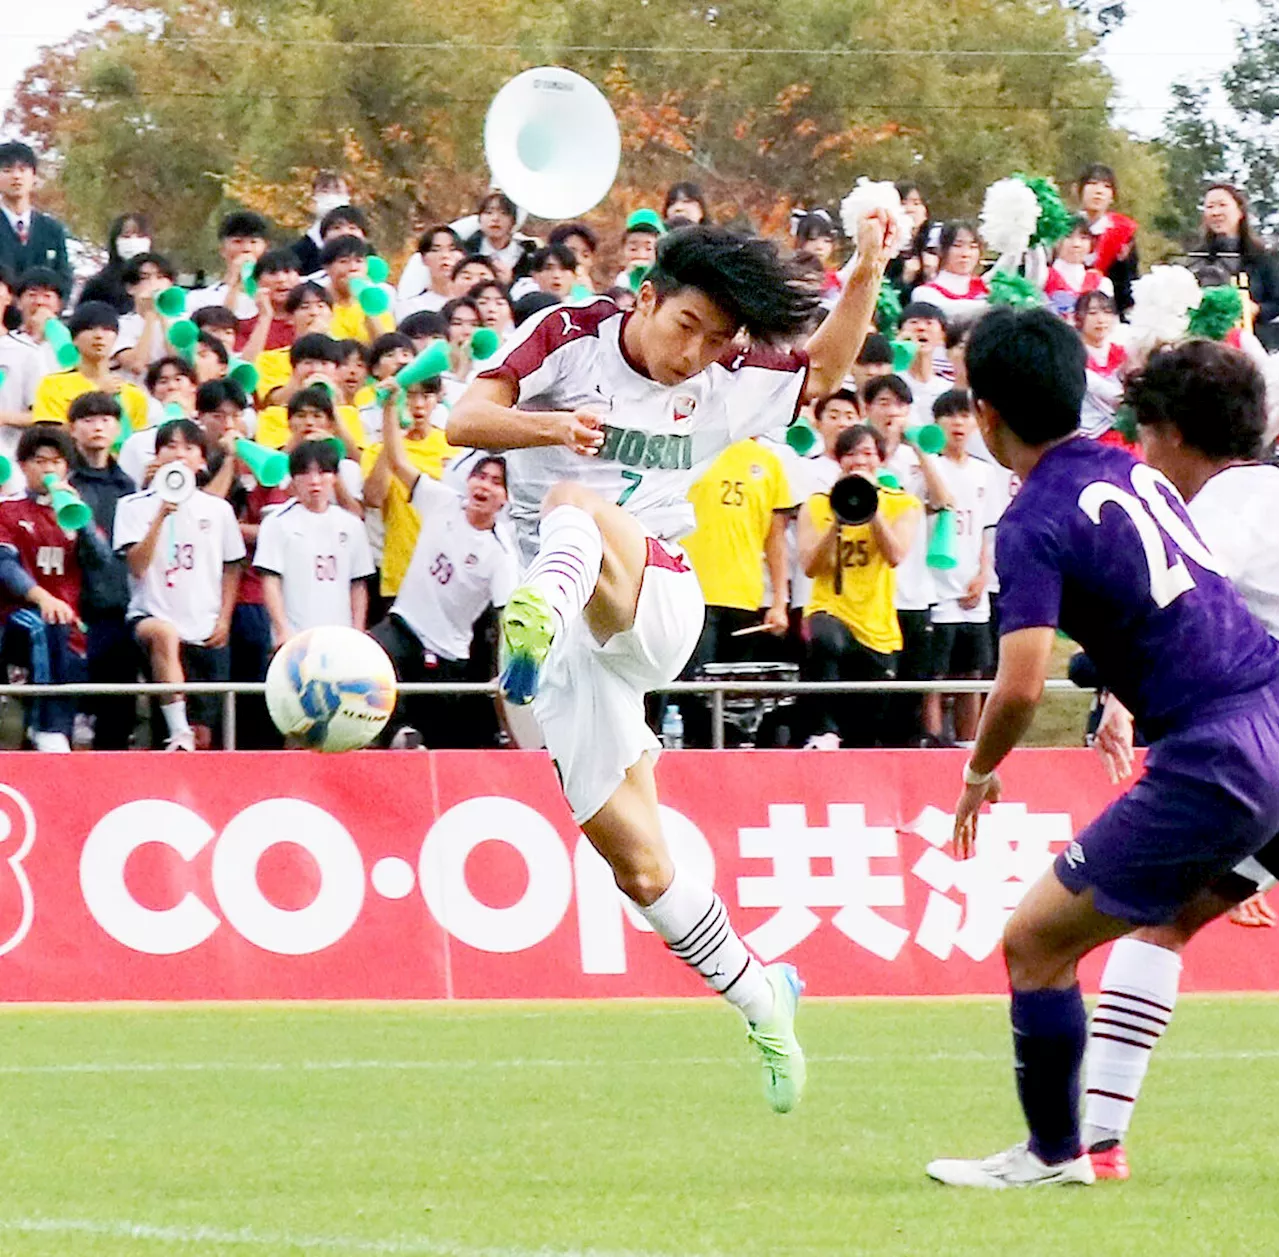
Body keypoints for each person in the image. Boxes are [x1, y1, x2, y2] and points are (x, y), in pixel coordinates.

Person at [448, 211, 896, 1111]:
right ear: (645, 296)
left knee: (577, 504)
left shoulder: (729, 379)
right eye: (688, 326)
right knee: (642, 869)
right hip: (578, 652)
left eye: (719, 339)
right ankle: (762, 996)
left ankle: (535, 611)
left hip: (655, 594)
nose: (698, 352)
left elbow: (828, 367)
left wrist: (868, 267)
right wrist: (550, 428)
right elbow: (464, 420)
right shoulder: (567, 337)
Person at [924, 307, 1280, 1189]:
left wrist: (977, 772)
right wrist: (1111, 661)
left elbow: (1015, 685)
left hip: (1217, 752)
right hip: (1268, 711)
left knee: (1036, 943)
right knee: (1155, 921)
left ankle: (1056, 1152)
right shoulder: (1134, 472)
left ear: (988, 414)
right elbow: (1184, 598)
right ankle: (1092, 1139)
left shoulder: (1035, 516)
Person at [1074, 340, 1280, 1181]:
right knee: (1172, 918)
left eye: (1147, 434)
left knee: (1146, 919)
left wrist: (1119, 696)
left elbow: (1188, 603)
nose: (1142, 454)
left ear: (1181, 436)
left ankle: (1093, 1140)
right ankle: (1099, 1140)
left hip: (1262, 746)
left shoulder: (1231, 502)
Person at [370, 384, 516, 748]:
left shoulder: (500, 554)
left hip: (446, 653)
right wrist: (390, 409)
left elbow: (504, 620)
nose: (484, 486)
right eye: (480, 477)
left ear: (506, 499)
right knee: (367, 662)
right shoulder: (442, 502)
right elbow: (400, 462)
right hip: (402, 627)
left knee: (440, 741)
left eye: (496, 483)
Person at [113, 418, 246, 750]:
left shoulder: (218, 510)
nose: (179, 454)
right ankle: (177, 730)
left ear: (202, 460)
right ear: (156, 456)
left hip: (203, 626)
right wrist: (160, 515)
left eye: (188, 448)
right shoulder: (132, 506)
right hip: (152, 616)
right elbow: (137, 566)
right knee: (164, 634)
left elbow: (232, 566)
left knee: (205, 736)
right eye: (170, 446)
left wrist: (225, 618)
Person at [798, 423, 921, 747]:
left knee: (866, 728)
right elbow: (810, 566)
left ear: (880, 460)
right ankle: (822, 730)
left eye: (867, 453)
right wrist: (838, 518)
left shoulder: (903, 504)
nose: (859, 461)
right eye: (851, 454)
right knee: (824, 640)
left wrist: (871, 508)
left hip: (876, 625)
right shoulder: (817, 505)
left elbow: (895, 555)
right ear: (839, 461)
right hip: (831, 609)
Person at [678, 435, 796, 744]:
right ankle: (692, 758)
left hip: (744, 596)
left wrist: (780, 601)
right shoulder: (692, 447)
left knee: (736, 698)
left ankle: (727, 762)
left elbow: (776, 540)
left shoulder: (768, 462)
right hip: (691, 592)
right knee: (695, 693)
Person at [0, 424, 108, 751]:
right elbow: (5, 565)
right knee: (42, 627)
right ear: (23, 466)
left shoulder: (73, 512)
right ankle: (46, 727)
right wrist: (42, 598)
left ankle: (55, 730)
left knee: (64, 642)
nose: (48, 468)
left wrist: (83, 521)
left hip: (67, 624)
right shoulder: (9, 510)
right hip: (16, 616)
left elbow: (102, 560)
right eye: (39, 461)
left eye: (57, 461)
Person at [922, 390, 1002, 747]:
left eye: (965, 416)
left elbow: (987, 530)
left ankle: (969, 743)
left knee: (972, 670)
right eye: (949, 416)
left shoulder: (987, 473)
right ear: (936, 422)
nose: (958, 423)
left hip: (973, 585)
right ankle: (934, 739)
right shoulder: (926, 468)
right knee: (935, 671)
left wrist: (984, 574)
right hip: (935, 585)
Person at [67, 392, 138, 750]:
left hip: (120, 608)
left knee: (117, 717)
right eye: (88, 419)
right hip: (76, 610)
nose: (98, 427)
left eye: (106, 419)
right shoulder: (64, 484)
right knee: (74, 714)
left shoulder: (129, 486)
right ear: (72, 429)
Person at [255, 440, 372, 641]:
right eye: (305, 473)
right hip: (296, 636)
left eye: (323, 472)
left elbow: (358, 583)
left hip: (340, 635)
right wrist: (282, 629)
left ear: (335, 477)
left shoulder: (351, 525)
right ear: (293, 479)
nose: (314, 481)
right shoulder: (277, 523)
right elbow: (270, 581)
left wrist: (357, 630)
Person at [361, 372, 456, 603]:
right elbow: (374, 497)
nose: (418, 405)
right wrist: (393, 443)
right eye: (410, 396)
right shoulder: (377, 450)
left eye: (426, 396)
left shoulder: (453, 447)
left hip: (448, 575)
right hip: (401, 575)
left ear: (437, 399)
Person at [32, 302, 150, 432]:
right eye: (90, 328)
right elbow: (49, 434)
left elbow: (137, 443)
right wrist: (97, 395)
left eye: (107, 329)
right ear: (74, 339)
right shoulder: (53, 385)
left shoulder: (133, 394)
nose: (99, 336)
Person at [1193, 183, 1280, 351]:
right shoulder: (1197, 258)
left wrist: (1256, 309)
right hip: (1206, 346)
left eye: (1222, 205)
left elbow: (1277, 301)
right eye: (1209, 207)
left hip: (1254, 343)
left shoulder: (1262, 257)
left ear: (1240, 211)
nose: (1215, 212)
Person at [0, 142, 71, 287]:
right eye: (7, 170)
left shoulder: (53, 230)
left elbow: (63, 278)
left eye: (23, 169)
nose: (16, 176)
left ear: (34, 176)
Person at [1077, 164, 1138, 316]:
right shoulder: (1064, 228)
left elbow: (1129, 288)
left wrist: (1123, 264)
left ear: (1112, 196)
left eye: (1106, 186)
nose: (1098, 191)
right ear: (1079, 190)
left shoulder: (1122, 234)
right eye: (1092, 184)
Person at [188, 211, 271, 321]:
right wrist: (234, 285)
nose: (246, 249)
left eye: (253, 242)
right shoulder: (199, 298)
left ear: (266, 248)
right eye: (237, 242)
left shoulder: (278, 292)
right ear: (222, 249)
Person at [320, 236, 393, 344]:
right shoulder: (318, 303)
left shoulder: (375, 301)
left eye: (359, 261)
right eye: (343, 261)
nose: (353, 268)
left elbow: (385, 346)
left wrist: (367, 304)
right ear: (326, 268)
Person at [1077, 291, 1127, 442]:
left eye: (1107, 312)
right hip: (1087, 439)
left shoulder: (1124, 354)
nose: (1100, 320)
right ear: (1079, 317)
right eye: (1092, 313)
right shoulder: (1072, 355)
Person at [911, 222, 988, 319]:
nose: (965, 254)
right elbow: (945, 310)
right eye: (957, 246)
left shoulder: (986, 288)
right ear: (941, 250)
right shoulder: (924, 293)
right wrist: (991, 305)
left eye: (973, 247)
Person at [79, 212, 154, 311]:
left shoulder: (161, 278)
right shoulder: (99, 285)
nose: (134, 241)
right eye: (126, 236)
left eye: (140, 236)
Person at [1043, 218, 1112, 319]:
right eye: (1068, 237)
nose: (1076, 244)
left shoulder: (1101, 283)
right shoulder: (1043, 276)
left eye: (1083, 238)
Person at [895, 302, 950, 426]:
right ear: (899, 333)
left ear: (942, 336)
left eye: (929, 323)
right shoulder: (889, 382)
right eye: (913, 322)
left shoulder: (947, 389)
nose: (921, 328)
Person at [395, 225, 464, 321]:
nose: (445, 255)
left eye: (452, 249)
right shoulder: (410, 307)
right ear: (423, 259)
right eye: (435, 250)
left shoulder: (475, 303)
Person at [292, 171, 350, 277]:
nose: (331, 196)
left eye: (338, 191)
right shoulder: (300, 250)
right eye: (325, 191)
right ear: (314, 197)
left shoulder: (363, 246)